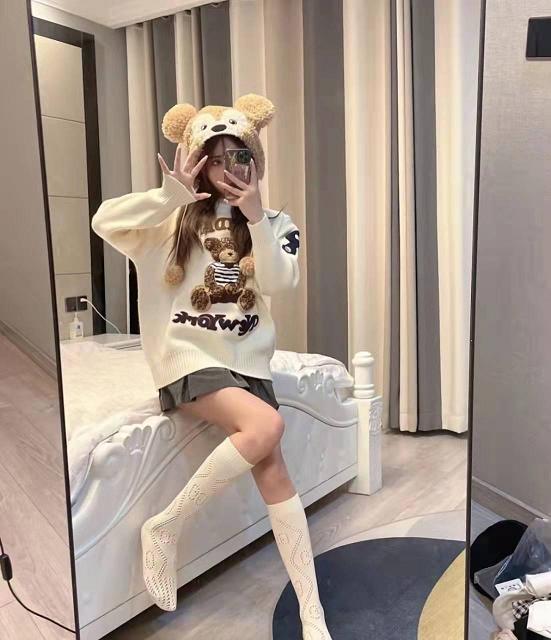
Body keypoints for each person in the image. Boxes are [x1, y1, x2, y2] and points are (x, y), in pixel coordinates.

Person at [91, 94, 333, 639]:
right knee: (267, 425)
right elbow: (104, 220)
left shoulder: (274, 223)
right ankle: (166, 526)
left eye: (239, 156)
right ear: (197, 161)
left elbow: (280, 284)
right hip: (188, 358)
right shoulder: (168, 221)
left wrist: (256, 217)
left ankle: (311, 611)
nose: (229, 170)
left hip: (249, 365)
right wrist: (169, 194)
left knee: (272, 463)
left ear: (256, 160)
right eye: (215, 158)